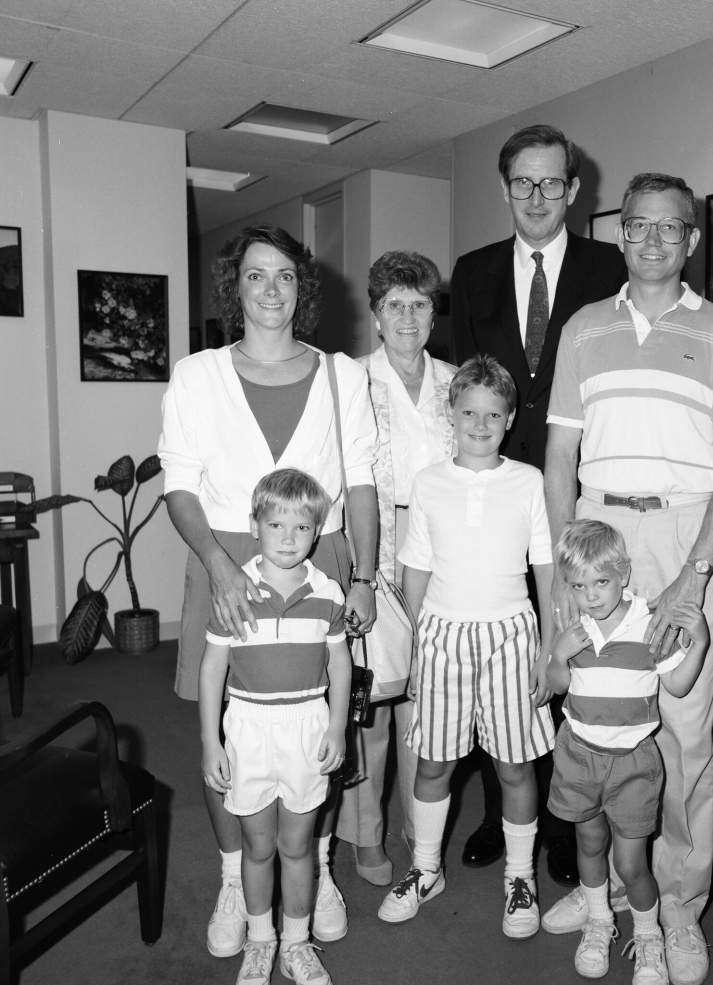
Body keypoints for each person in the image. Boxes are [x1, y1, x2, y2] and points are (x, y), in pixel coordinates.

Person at [543, 173, 713, 985]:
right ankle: (603, 894)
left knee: (680, 727)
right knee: (593, 713)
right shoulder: (584, 328)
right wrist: (565, 561)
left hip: (685, 532)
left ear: (691, 241)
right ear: (621, 233)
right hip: (599, 529)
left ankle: (675, 908)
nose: (653, 242)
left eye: (671, 230)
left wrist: (692, 578)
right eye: (639, 227)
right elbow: (560, 453)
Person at [158, 224, 379, 960]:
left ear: (302, 286)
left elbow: (363, 485)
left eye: (285, 274)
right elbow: (180, 484)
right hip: (222, 555)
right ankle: (234, 876)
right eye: (256, 275)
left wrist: (364, 577)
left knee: (317, 721)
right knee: (231, 724)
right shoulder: (197, 374)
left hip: (321, 559)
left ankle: (312, 864)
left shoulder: (344, 373)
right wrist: (222, 567)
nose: (271, 289)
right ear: (236, 286)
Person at [451, 123, 626, 884]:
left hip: (577, 495)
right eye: (523, 181)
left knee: (571, 658)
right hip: (492, 499)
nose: (537, 196)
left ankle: (564, 821)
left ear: (575, 190)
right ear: (505, 189)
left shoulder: (611, 267)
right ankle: (499, 810)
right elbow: (462, 390)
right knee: (500, 658)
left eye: (552, 182)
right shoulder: (473, 271)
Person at [377, 355, 556, 939]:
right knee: (434, 764)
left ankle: (520, 877)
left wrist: (549, 645)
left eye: (493, 415)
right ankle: (426, 870)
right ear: (450, 415)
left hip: (511, 636)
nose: (480, 424)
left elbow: (546, 567)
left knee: (514, 764)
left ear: (508, 420)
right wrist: (417, 644)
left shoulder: (529, 482)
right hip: (444, 638)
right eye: (469, 412)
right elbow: (416, 571)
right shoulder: (428, 483)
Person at [200, 469, 351, 985]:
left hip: (307, 726)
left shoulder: (327, 592)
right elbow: (212, 667)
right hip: (248, 727)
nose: (288, 538)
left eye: (302, 527)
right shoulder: (235, 591)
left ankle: (296, 942)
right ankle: (260, 941)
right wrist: (209, 740)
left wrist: (336, 726)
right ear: (255, 525)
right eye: (275, 524)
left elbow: (341, 663)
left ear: (317, 530)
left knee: (297, 847)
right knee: (258, 847)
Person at [543, 520, 709, 985]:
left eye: (601, 582)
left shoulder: (647, 624)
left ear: (624, 573)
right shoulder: (573, 626)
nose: (591, 595)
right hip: (578, 756)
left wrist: (700, 643)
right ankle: (598, 922)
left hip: (633, 764)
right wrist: (558, 656)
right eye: (578, 585)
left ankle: (649, 937)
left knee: (632, 863)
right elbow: (557, 687)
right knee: (589, 844)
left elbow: (677, 682)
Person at [336, 251, 457, 886]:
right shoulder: (349, 381)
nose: (407, 316)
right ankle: (365, 835)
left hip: (445, 554)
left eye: (419, 304)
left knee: (428, 707)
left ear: (434, 313)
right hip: (373, 551)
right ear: (376, 316)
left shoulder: (459, 383)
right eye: (394, 306)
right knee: (373, 705)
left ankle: (422, 836)